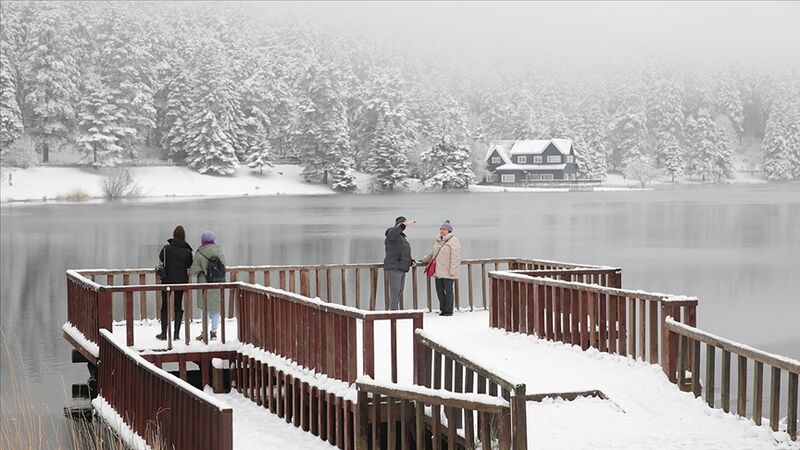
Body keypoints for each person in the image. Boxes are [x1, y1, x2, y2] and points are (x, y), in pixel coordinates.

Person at [156, 226, 193, 340]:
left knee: (165, 305)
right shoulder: (187, 251)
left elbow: (161, 258)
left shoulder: (167, 248)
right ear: (183, 236)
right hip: (181, 281)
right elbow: (189, 264)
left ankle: (163, 333)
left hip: (167, 280)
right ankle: (176, 334)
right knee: (178, 305)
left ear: (174, 235)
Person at [189, 231, 227, 340]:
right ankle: (214, 332)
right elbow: (223, 265)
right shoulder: (219, 251)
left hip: (204, 284)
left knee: (204, 308)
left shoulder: (200, 253)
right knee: (216, 309)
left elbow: (193, 271)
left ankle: (204, 332)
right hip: (217, 282)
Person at [420, 220, 462, 316]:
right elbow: (432, 254)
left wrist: (453, 271)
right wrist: (423, 260)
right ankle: (442, 309)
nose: (442, 231)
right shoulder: (438, 240)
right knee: (439, 291)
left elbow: (456, 257)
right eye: (441, 229)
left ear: (449, 231)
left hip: (448, 271)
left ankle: (449, 310)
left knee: (449, 291)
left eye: (444, 229)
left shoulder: (454, 241)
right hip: (438, 271)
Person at [384, 216, 416, 310]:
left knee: (399, 291)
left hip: (402, 267)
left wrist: (410, 261)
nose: (404, 226)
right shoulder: (391, 234)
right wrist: (402, 225)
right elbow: (393, 233)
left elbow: (403, 252)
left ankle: (395, 311)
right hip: (394, 267)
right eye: (402, 224)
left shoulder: (402, 237)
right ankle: (393, 312)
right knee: (395, 291)